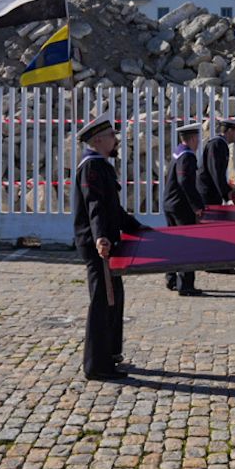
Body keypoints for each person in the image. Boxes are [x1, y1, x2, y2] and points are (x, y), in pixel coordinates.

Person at [73, 111, 146, 381]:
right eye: (112, 136)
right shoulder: (92, 166)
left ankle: (111, 354)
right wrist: (101, 237)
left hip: (104, 240)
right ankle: (97, 365)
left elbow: (112, 208)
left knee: (114, 298)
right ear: (100, 140)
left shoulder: (100, 164)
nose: (116, 140)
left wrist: (136, 227)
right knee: (102, 302)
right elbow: (95, 206)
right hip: (97, 245)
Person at [163, 122, 206, 296]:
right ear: (194, 138)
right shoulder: (188, 156)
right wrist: (196, 206)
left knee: (174, 244)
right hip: (181, 206)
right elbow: (186, 183)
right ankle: (185, 285)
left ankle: (171, 278)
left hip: (170, 204)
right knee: (187, 245)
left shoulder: (178, 151)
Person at [198, 117, 235, 207]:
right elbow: (215, 171)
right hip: (208, 192)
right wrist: (226, 193)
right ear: (229, 131)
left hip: (212, 190)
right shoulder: (217, 144)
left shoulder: (220, 144)